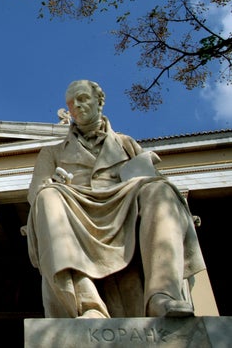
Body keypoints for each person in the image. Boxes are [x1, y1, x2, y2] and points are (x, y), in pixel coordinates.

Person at [26, 80, 206, 319]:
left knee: (161, 190)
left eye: (82, 98)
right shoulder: (52, 152)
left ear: (99, 101)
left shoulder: (125, 143)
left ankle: (162, 295)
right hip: (76, 210)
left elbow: (152, 177)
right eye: (71, 103)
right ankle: (87, 306)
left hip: (124, 206)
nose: (76, 106)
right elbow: (36, 191)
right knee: (47, 197)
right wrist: (54, 183)